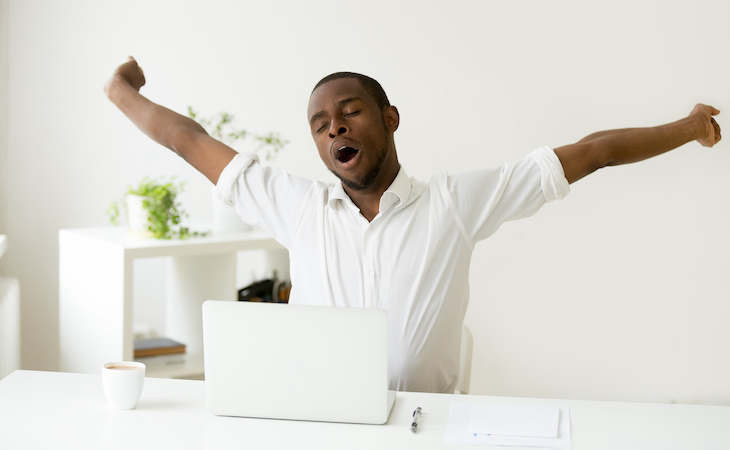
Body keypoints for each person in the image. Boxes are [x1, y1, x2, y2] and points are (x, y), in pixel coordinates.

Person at [105, 57, 722, 393]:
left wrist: (690, 126)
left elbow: (592, 152)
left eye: (350, 112)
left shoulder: (454, 203)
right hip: (324, 424)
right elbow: (190, 141)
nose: (335, 128)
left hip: (431, 425)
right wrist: (123, 91)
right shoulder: (297, 206)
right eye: (321, 125)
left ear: (390, 117)